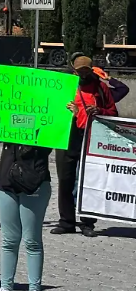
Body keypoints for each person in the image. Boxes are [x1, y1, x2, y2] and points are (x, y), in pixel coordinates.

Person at [0, 93, 77, 291]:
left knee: (32, 240)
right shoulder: (8, 117)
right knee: (9, 240)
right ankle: (5, 290)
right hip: (7, 183)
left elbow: (63, 140)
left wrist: (69, 117)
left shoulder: (46, 121)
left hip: (35, 184)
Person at [52, 54, 117, 237]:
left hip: (91, 138)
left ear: (91, 70)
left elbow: (113, 112)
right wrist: (68, 112)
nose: (82, 74)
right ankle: (66, 222)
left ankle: (87, 222)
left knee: (88, 181)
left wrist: (99, 110)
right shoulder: (65, 85)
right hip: (67, 137)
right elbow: (51, 109)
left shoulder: (101, 88)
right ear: (73, 69)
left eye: (86, 71)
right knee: (65, 180)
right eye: (79, 71)